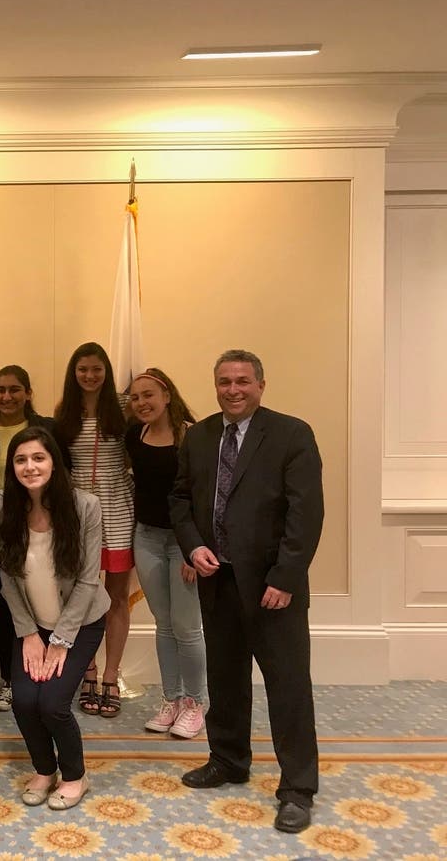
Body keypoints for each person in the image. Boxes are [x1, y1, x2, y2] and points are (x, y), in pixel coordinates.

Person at [170, 350, 324, 834]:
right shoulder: (198, 436)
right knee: (225, 677)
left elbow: (306, 514)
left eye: (242, 381)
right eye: (224, 382)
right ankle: (229, 760)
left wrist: (285, 577)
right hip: (219, 580)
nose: (232, 390)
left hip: (271, 586)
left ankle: (297, 788)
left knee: (287, 685)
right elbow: (180, 499)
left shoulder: (291, 434)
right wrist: (193, 545)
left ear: (261, 384)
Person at [0, 427, 109, 810]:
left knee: (53, 704)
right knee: (25, 701)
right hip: (32, 624)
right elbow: (6, 576)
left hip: (81, 623)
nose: (30, 466)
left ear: (54, 463)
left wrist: (60, 641)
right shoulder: (2, 504)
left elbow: (89, 580)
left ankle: (75, 775)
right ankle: (45, 770)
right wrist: (29, 634)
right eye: (21, 460)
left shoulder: (85, 506)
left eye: (38, 458)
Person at [0, 364, 67, 713]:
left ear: (28, 393)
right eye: (1, 390)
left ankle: (49, 673)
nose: (6, 396)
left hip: (43, 526)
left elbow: (63, 474)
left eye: (14, 389)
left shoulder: (47, 429)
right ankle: (11, 680)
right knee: (8, 604)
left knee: (45, 601)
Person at [125, 368, 207, 739]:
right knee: (164, 624)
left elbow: (205, 496)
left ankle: (195, 703)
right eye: (135, 397)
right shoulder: (134, 436)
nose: (142, 403)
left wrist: (194, 548)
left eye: (149, 395)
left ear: (167, 396)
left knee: (187, 627)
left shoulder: (193, 436)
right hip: (146, 539)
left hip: (183, 543)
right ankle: (171, 699)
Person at [54, 342, 133, 718]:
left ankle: (111, 676)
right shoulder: (64, 411)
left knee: (117, 597)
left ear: (107, 372)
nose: (89, 376)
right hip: (78, 511)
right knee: (80, 595)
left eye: (96, 369)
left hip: (118, 508)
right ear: (74, 372)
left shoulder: (124, 407)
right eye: (83, 369)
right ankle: (88, 671)